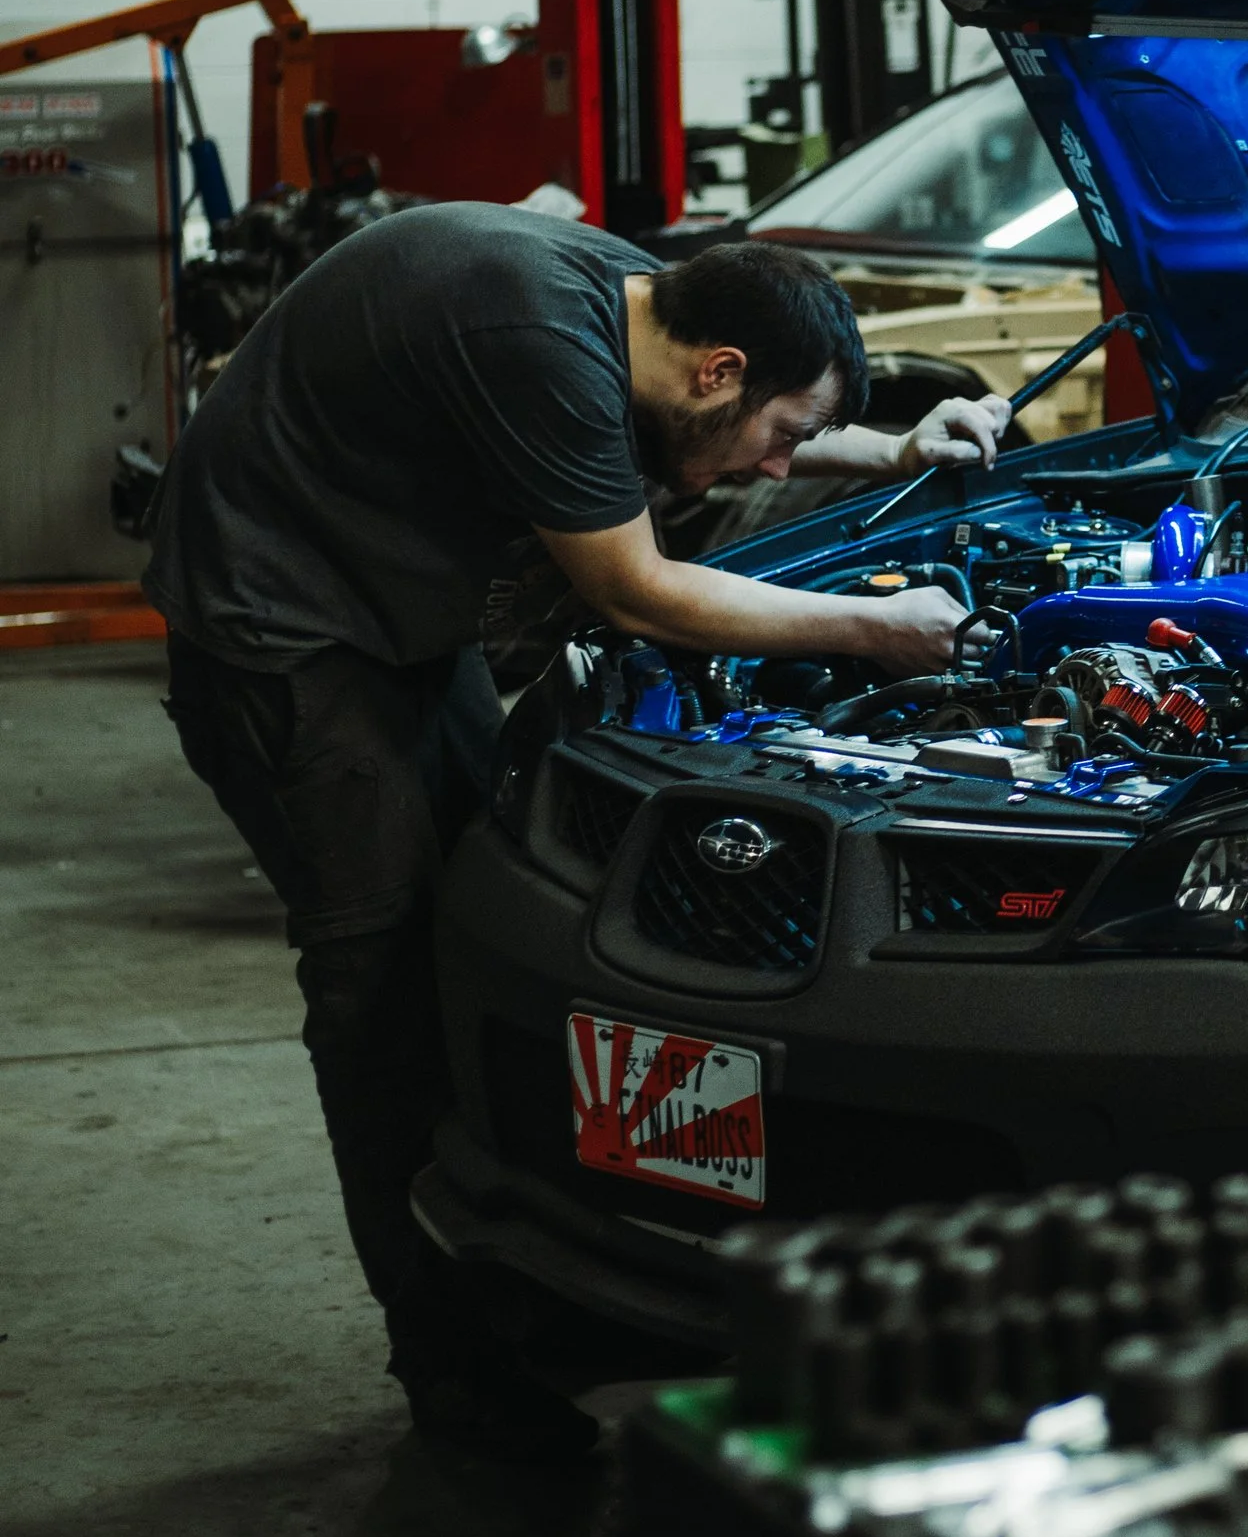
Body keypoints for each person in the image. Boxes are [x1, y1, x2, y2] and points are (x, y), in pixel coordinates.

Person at [144, 202, 1011, 1464]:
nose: (778, 466)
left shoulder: (637, 299)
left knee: (478, 917)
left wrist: (886, 453)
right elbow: (635, 586)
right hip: (281, 632)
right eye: (782, 435)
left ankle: (525, 1272)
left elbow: (704, 445)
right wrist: (876, 630)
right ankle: (447, 1365)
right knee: (380, 982)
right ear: (717, 368)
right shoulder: (539, 342)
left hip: (385, 610)